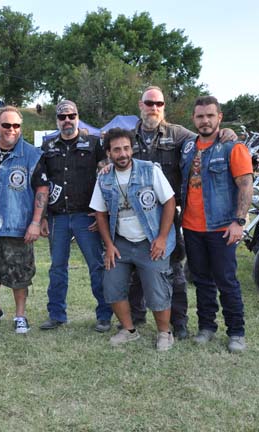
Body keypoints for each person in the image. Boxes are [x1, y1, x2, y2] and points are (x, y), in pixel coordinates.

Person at [126, 85, 237, 339]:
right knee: (134, 269)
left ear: (163, 107)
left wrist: (226, 132)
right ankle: (136, 316)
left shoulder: (178, 134)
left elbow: (206, 137)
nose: (154, 108)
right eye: (149, 103)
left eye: (159, 104)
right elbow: (110, 157)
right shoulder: (128, 137)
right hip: (134, 216)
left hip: (168, 215)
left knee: (174, 271)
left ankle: (180, 322)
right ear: (141, 105)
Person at [91, 127, 177, 351]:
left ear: (132, 149)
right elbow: (100, 213)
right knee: (111, 285)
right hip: (121, 242)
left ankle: (164, 333)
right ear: (108, 153)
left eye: (126, 148)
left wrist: (161, 238)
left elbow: (169, 202)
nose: (123, 154)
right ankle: (129, 330)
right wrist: (109, 245)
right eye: (117, 150)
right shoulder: (104, 177)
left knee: (157, 289)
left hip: (151, 240)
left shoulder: (150, 170)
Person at [180, 96, 252, 353]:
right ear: (193, 119)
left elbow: (246, 185)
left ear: (219, 117)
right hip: (191, 227)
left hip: (222, 227)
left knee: (226, 281)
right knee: (201, 281)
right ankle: (206, 327)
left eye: (210, 115)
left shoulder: (233, 148)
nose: (205, 121)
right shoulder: (187, 147)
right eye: (200, 116)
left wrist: (239, 221)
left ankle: (236, 332)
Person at [37, 100, 113, 332]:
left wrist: (102, 213)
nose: (67, 120)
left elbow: (107, 176)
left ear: (78, 117)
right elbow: (41, 184)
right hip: (57, 217)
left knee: (97, 266)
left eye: (71, 116)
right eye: (62, 117)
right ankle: (56, 315)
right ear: (57, 121)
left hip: (86, 216)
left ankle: (104, 315)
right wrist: (42, 217)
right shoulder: (47, 146)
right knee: (57, 268)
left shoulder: (94, 143)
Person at [0, 106, 48, 333]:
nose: (12, 130)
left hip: (16, 225)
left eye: (16, 125)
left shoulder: (32, 154)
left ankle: (20, 315)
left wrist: (36, 222)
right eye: (7, 125)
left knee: (20, 273)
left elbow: (42, 188)